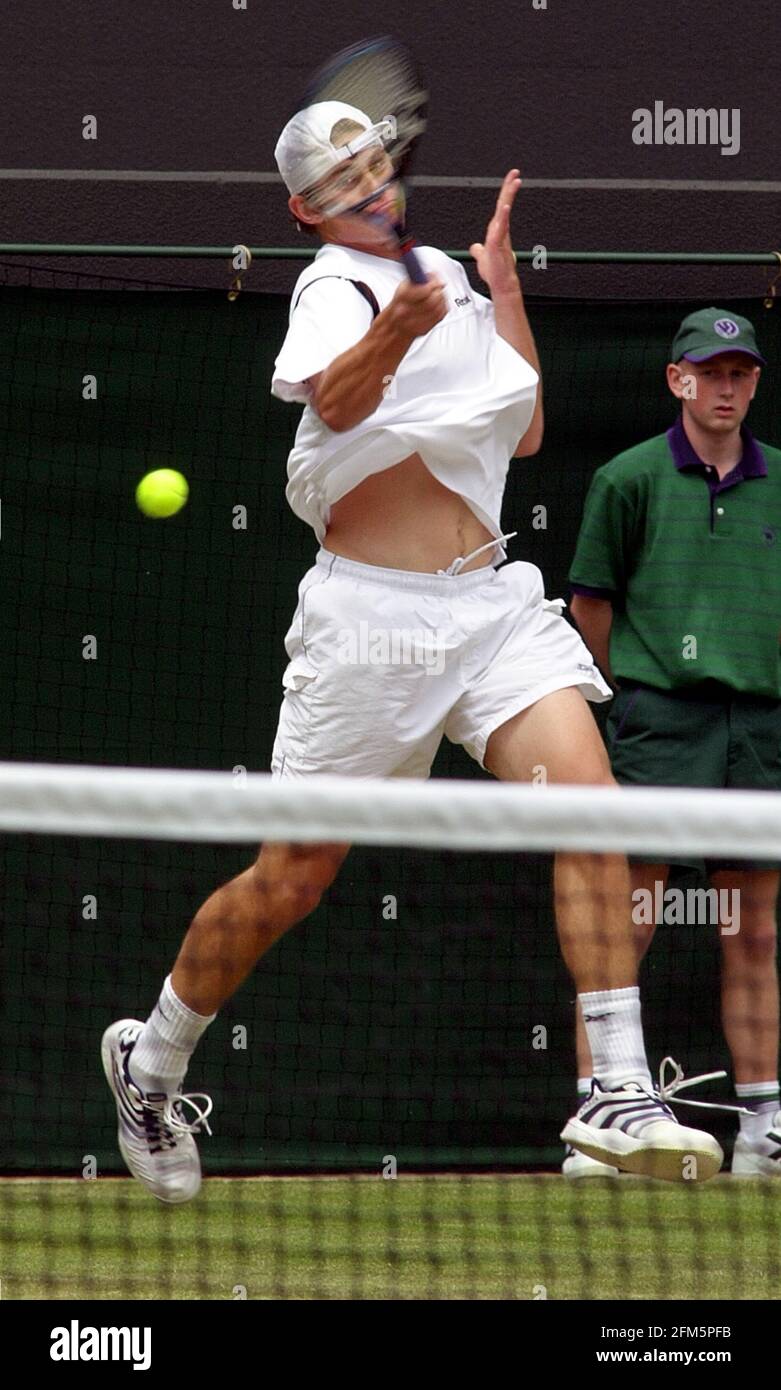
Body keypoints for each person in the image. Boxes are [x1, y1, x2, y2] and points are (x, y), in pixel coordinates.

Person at [101, 101, 722, 1202]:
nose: (374, 187)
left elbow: (521, 430)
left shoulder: (445, 268)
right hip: (367, 628)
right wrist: (401, 323)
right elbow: (337, 402)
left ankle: (615, 1089)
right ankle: (151, 1062)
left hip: (489, 607)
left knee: (596, 808)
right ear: (307, 209)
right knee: (294, 877)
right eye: (345, 180)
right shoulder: (330, 289)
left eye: (377, 163)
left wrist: (501, 291)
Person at [568, 306, 781, 1177]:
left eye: (740, 372)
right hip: (659, 725)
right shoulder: (626, 480)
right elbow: (591, 607)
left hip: (760, 731)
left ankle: (763, 1133)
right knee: (628, 922)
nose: (724, 386)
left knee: (754, 932)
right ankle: (599, 1116)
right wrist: (644, 689)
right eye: (709, 371)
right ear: (676, 379)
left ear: (754, 382)